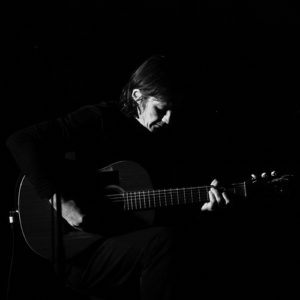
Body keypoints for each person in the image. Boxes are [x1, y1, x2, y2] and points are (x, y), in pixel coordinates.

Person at [7, 55, 232, 300]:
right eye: (161, 108)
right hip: (80, 254)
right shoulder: (101, 119)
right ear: (138, 96)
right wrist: (61, 203)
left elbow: (161, 214)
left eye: (173, 111)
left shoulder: (168, 142)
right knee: (163, 243)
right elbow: (20, 141)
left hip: (124, 249)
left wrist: (205, 208)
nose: (168, 119)